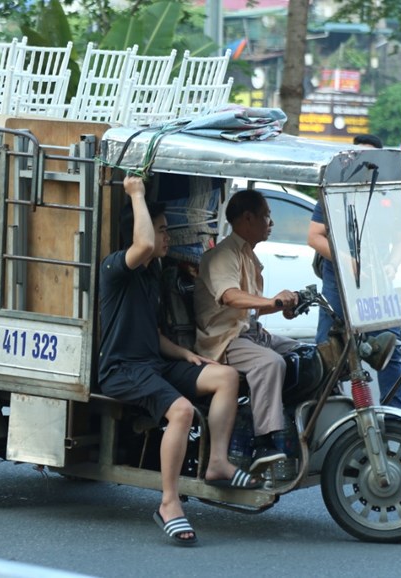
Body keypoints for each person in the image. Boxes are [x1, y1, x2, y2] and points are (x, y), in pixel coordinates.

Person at [98, 175, 261, 547]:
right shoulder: (116, 269)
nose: (166, 237)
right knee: (183, 412)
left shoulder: (155, 272)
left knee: (225, 376)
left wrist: (185, 354)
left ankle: (217, 462)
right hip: (123, 370)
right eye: (161, 230)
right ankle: (169, 504)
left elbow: (151, 333)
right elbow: (141, 243)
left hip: (153, 363)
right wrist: (136, 193)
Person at [194, 189, 300, 472]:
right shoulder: (223, 255)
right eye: (267, 215)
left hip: (248, 332)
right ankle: (265, 440)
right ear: (248, 217)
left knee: (305, 353)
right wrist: (271, 301)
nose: (271, 223)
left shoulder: (247, 255)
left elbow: (251, 307)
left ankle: (292, 419)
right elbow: (230, 296)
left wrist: (282, 304)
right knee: (270, 363)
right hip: (224, 339)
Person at [307, 134, 401, 408]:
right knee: (328, 351)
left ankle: (393, 414)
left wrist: (391, 264)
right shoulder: (333, 192)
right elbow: (314, 236)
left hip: (375, 283)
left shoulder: (388, 196)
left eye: (369, 159)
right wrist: (345, 261)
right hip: (337, 282)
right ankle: (327, 411)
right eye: (357, 157)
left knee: (389, 348)